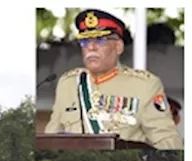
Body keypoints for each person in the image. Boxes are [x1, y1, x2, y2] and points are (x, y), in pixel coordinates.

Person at [44, 9, 181, 150]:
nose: (91, 47)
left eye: (100, 40)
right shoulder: (68, 83)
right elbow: (50, 138)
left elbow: (167, 141)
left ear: (118, 46)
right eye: (85, 41)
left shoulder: (145, 85)